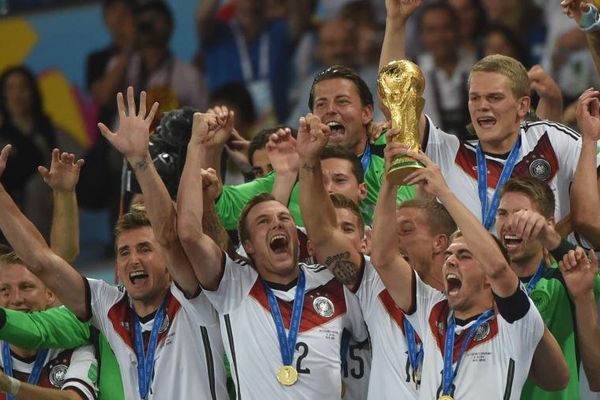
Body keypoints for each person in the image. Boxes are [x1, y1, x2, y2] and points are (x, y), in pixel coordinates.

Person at [0, 138, 227, 399]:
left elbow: (174, 236)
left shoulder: (193, 297)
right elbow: (40, 261)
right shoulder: (107, 304)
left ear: (168, 258)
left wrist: (140, 158)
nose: (133, 260)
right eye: (124, 252)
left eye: (144, 248)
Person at [176, 111, 367, 398]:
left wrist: (308, 162)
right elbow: (189, 234)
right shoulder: (234, 285)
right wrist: (196, 147)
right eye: (263, 222)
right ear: (248, 246)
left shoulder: (333, 280)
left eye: (284, 219)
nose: (277, 223)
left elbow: (328, 230)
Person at [380, 0, 599, 239]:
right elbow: (397, 103)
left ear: (523, 105)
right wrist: (396, 23)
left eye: (494, 98)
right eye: (475, 98)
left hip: (553, 274)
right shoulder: (450, 154)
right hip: (477, 274)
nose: (482, 106)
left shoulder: (552, 139)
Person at [369, 143, 568, 398]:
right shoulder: (432, 310)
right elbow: (383, 258)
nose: (450, 261)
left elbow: (498, 268)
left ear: (487, 278)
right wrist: (390, 180)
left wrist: (444, 193)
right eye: (449, 254)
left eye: (464, 256)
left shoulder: (514, 320)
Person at [297, 115, 455, 399]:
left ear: (439, 242)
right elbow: (321, 234)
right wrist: (308, 163)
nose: (395, 237)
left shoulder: (469, 297)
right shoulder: (374, 283)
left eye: (405, 229)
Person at [496, 176, 600, 399]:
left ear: (548, 223)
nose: (510, 223)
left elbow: (597, 378)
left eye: (521, 214)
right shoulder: (485, 286)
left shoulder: (567, 281)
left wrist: (549, 238)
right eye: (502, 213)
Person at [0, 252, 98, 400]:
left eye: (26, 287)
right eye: (4, 290)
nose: (16, 299)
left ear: (50, 294)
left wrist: (10, 385)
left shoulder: (73, 347)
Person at [0, 66, 57, 240]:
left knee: (37, 185)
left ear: (32, 92)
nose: (17, 94)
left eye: (22, 87)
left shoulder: (48, 130)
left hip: (42, 199)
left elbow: (37, 161)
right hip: (7, 201)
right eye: (11, 88)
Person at [558, 247, 600, 392]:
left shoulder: (571, 276)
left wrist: (583, 295)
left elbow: (598, 379)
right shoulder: (488, 283)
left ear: (551, 224)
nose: (512, 223)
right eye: (503, 221)